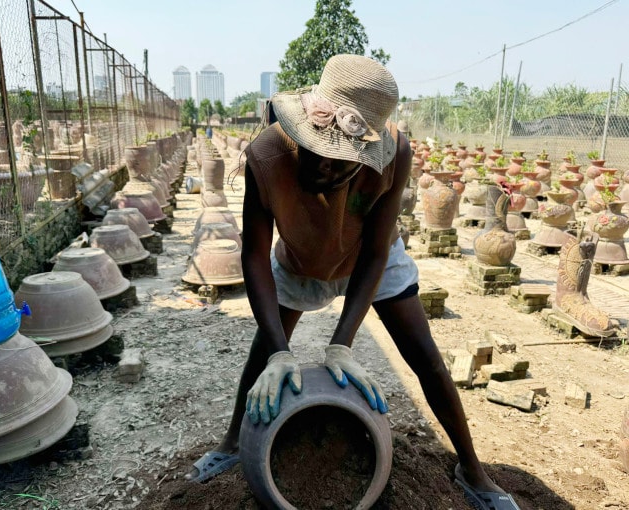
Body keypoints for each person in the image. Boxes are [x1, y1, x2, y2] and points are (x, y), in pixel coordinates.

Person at [186, 54, 520, 510]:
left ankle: (473, 471)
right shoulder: (265, 156)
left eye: (340, 165)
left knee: (427, 357)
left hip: (367, 256)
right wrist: (282, 352)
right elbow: (254, 256)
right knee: (263, 356)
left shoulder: (394, 154)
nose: (324, 171)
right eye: (318, 156)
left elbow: (378, 250)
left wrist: (341, 344)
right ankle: (230, 444)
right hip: (301, 258)